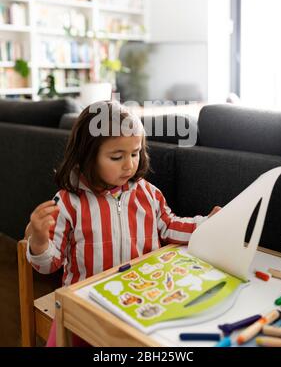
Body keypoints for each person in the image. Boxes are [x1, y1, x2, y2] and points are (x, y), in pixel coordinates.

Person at [25, 100, 220, 345]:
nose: (129, 164)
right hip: (87, 307)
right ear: (88, 156)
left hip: (140, 302)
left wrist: (207, 226)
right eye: (117, 157)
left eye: (135, 153)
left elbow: (169, 225)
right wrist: (40, 242)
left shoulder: (148, 194)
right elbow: (48, 265)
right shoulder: (68, 203)